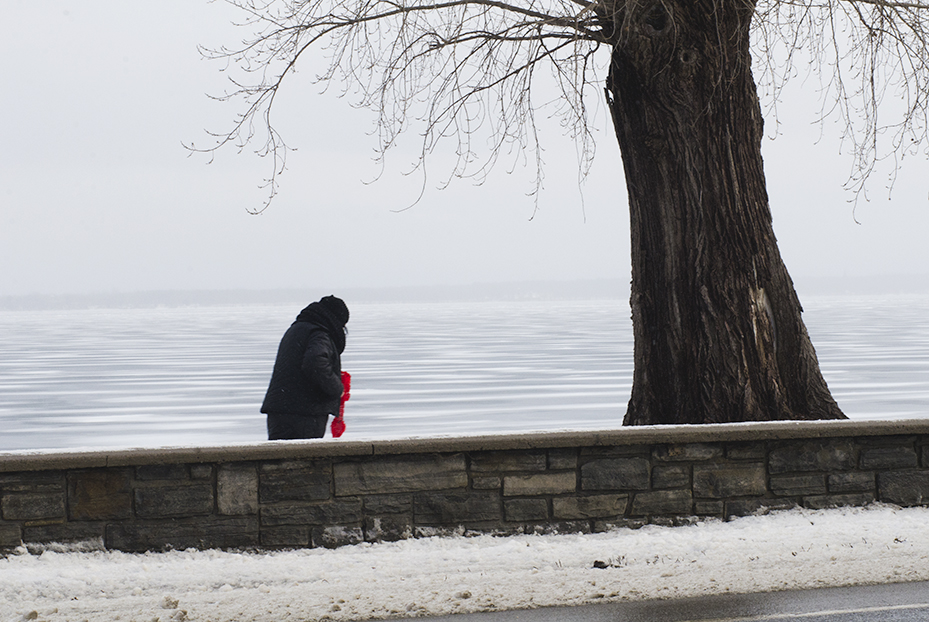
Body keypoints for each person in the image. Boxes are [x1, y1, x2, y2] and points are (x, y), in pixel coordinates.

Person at [261, 295, 349, 440]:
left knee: (281, 459)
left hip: (280, 411)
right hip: (305, 413)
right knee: (305, 460)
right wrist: (337, 388)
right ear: (336, 321)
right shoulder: (320, 333)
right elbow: (315, 363)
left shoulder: (297, 329)